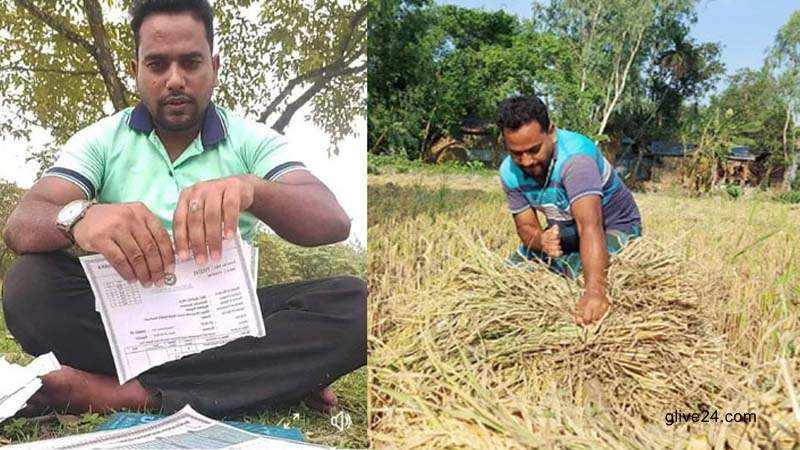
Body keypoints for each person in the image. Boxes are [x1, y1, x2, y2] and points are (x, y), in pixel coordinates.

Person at [1, 0, 365, 418]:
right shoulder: (100, 141)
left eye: (190, 63)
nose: (175, 80)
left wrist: (252, 190)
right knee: (30, 284)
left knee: (358, 304)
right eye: (157, 65)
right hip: (125, 327)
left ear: (213, 66)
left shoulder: (250, 140)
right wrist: (81, 216)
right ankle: (260, 381)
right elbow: (22, 221)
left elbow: (332, 220)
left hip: (226, 327)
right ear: (137, 69)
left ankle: (120, 393)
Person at [497, 95, 641, 326]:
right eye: (516, 153)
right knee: (508, 275)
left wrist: (595, 292)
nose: (526, 161)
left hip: (612, 225)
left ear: (551, 132)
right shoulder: (508, 172)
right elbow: (526, 227)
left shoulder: (576, 161)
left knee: (580, 277)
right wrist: (541, 241)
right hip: (567, 227)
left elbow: (590, 226)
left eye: (534, 150)